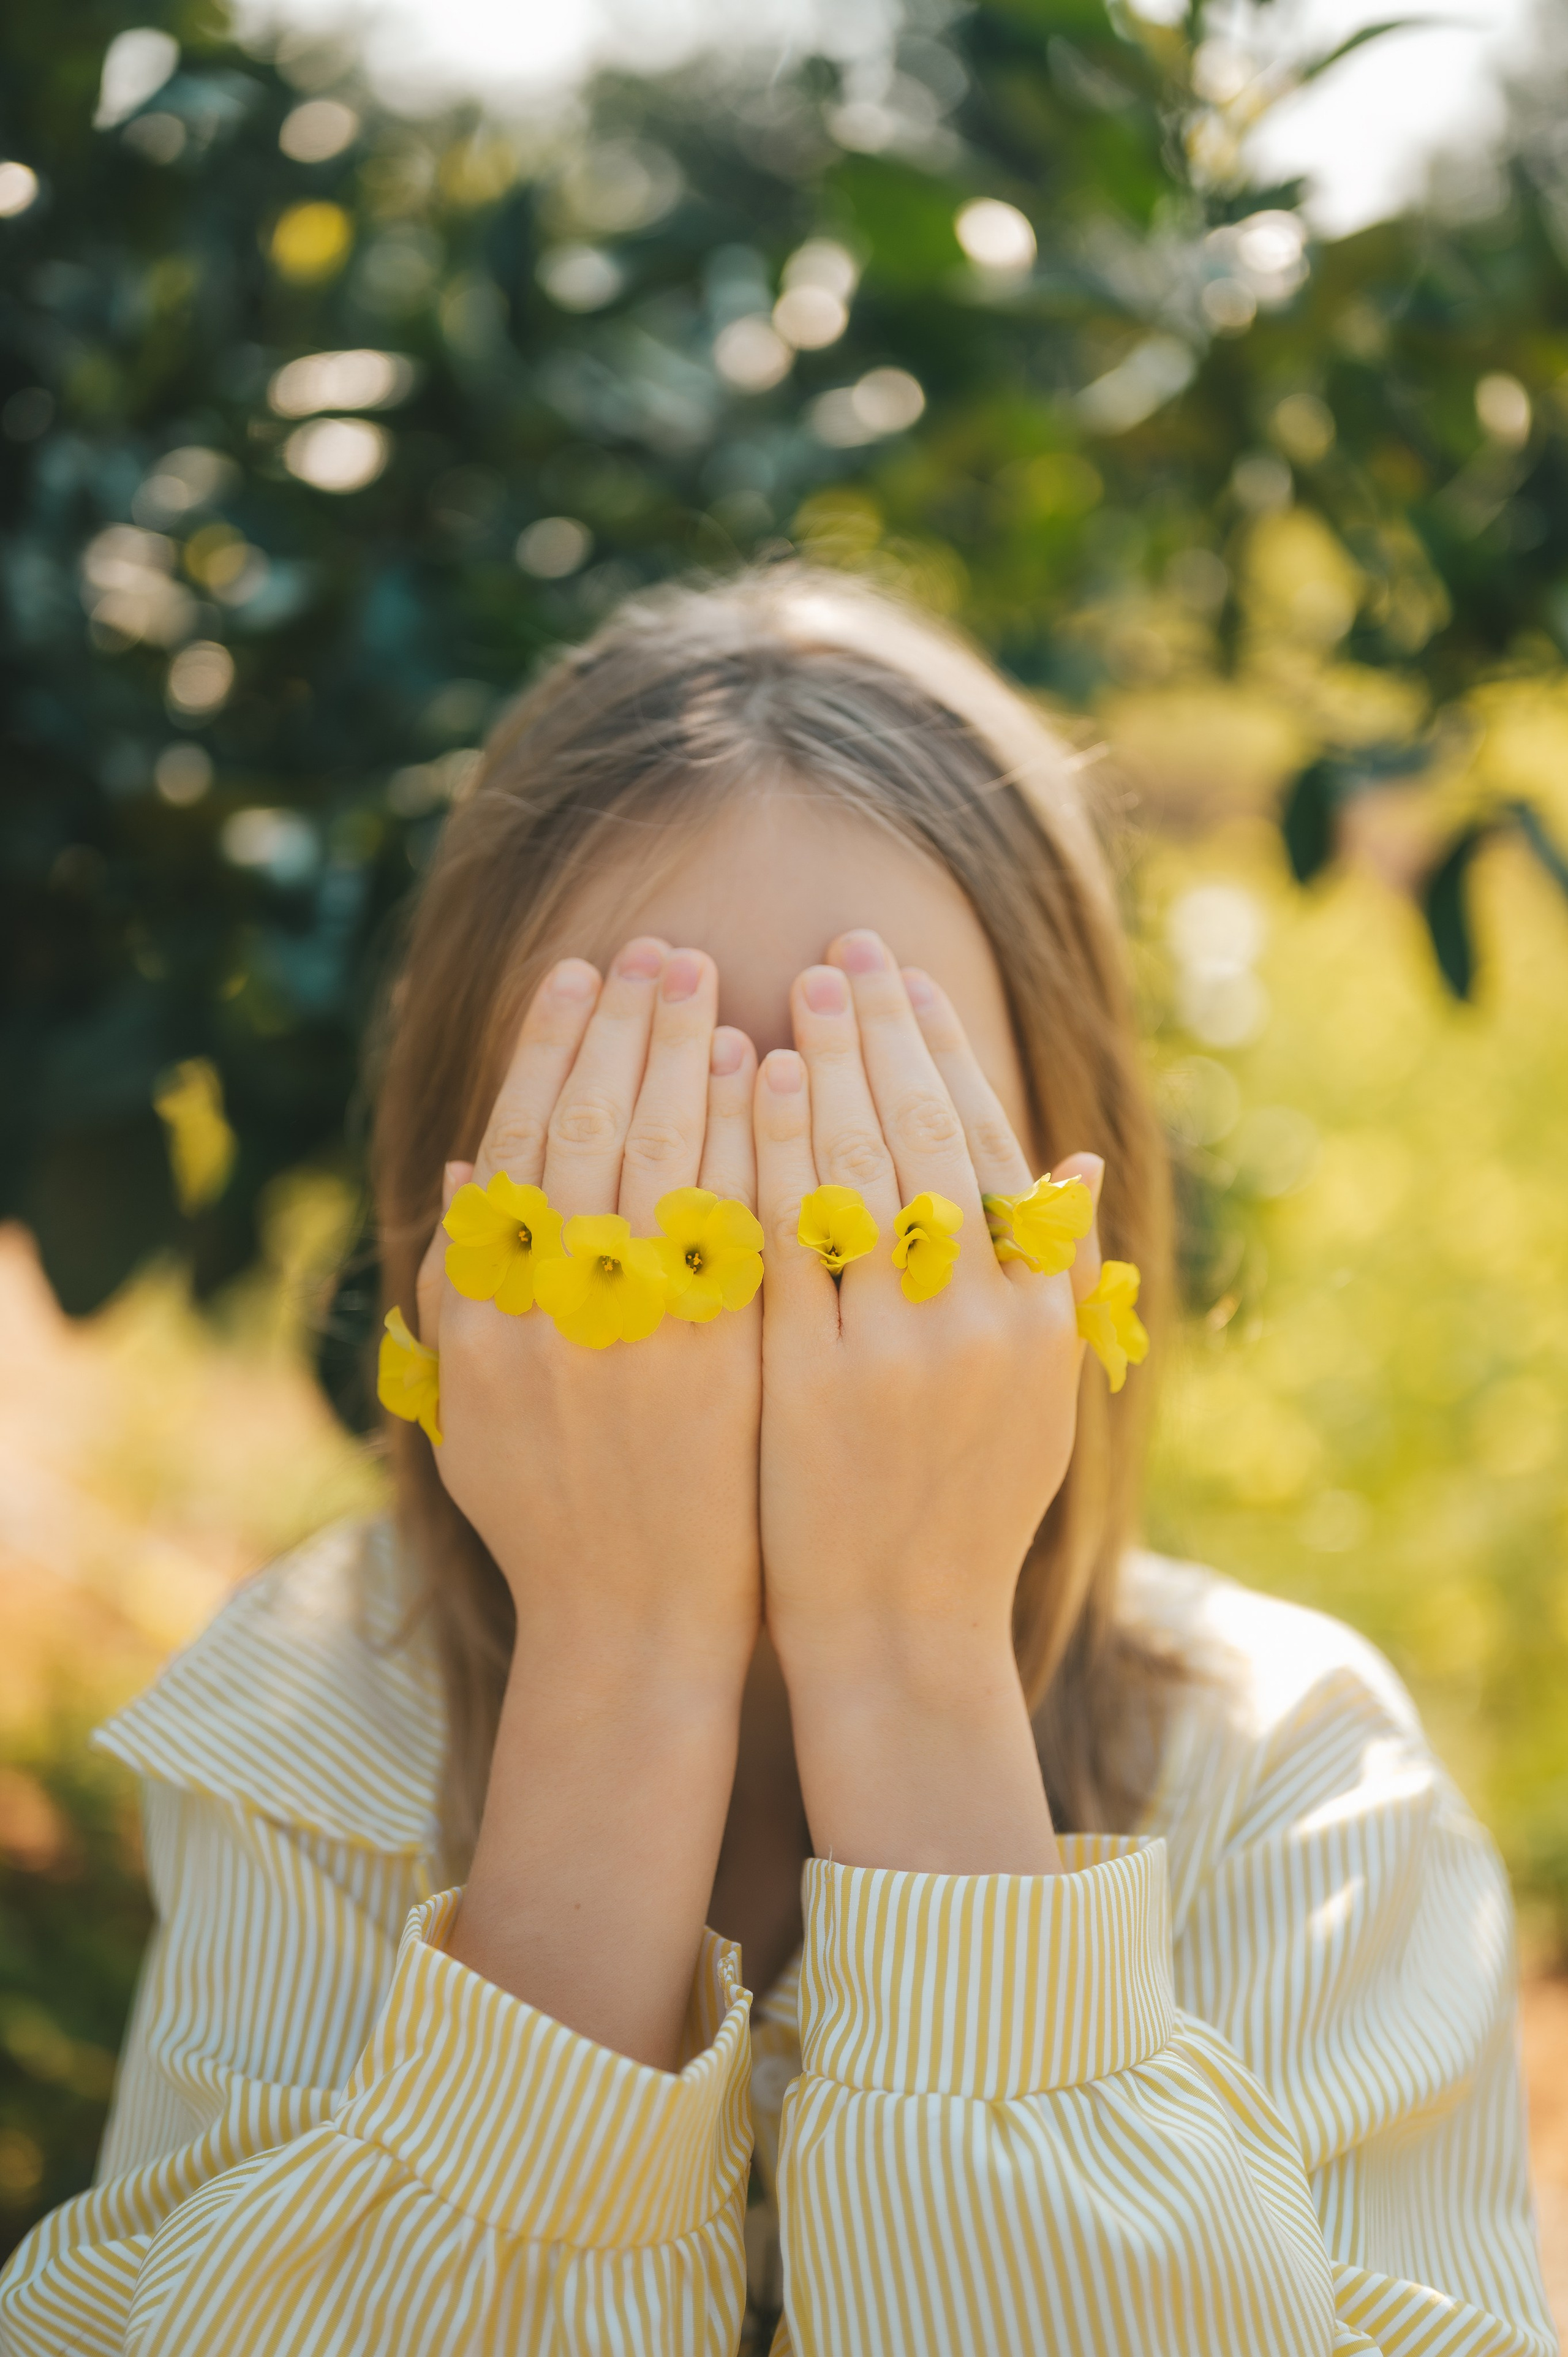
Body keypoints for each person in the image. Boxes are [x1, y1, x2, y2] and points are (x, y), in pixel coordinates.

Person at [0, 569, 1553, 2357]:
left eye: (881, 1148)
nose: (742, 1244)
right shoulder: (323, 1729)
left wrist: (907, 1663)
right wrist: (624, 1670)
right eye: (627, 1147)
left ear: (1077, 1216)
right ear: (446, 1226)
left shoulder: (1296, 1795)